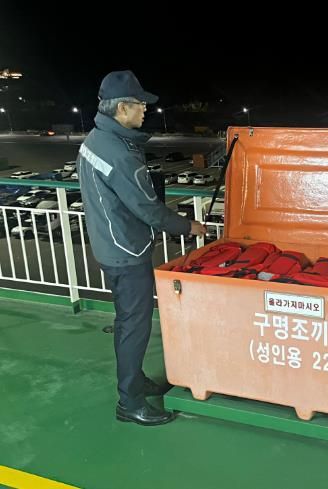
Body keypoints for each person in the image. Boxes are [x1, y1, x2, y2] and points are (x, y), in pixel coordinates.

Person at [77, 70, 206, 426]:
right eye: (140, 104)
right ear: (122, 109)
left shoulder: (96, 139)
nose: (145, 109)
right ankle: (130, 401)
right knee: (135, 325)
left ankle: (135, 380)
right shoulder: (119, 153)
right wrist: (188, 226)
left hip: (110, 245)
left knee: (126, 321)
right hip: (126, 252)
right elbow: (148, 210)